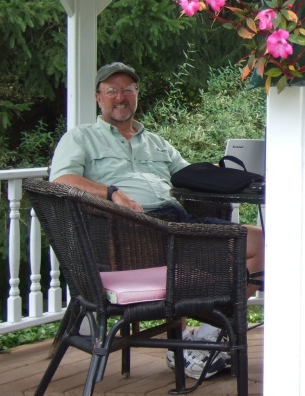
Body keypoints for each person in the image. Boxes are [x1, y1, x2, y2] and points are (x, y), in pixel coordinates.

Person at [50, 62, 265, 380]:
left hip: (177, 224)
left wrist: (242, 180)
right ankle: (202, 342)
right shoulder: (81, 137)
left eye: (128, 90)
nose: (120, 97)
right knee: (250, 249)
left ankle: (205, 336)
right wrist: (110, 193)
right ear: (98, 97)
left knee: (263, 242)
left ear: (137, 95)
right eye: (112, 91)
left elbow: (188, 176)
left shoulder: (156, 142)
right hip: (133, 233)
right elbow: (61, 180)